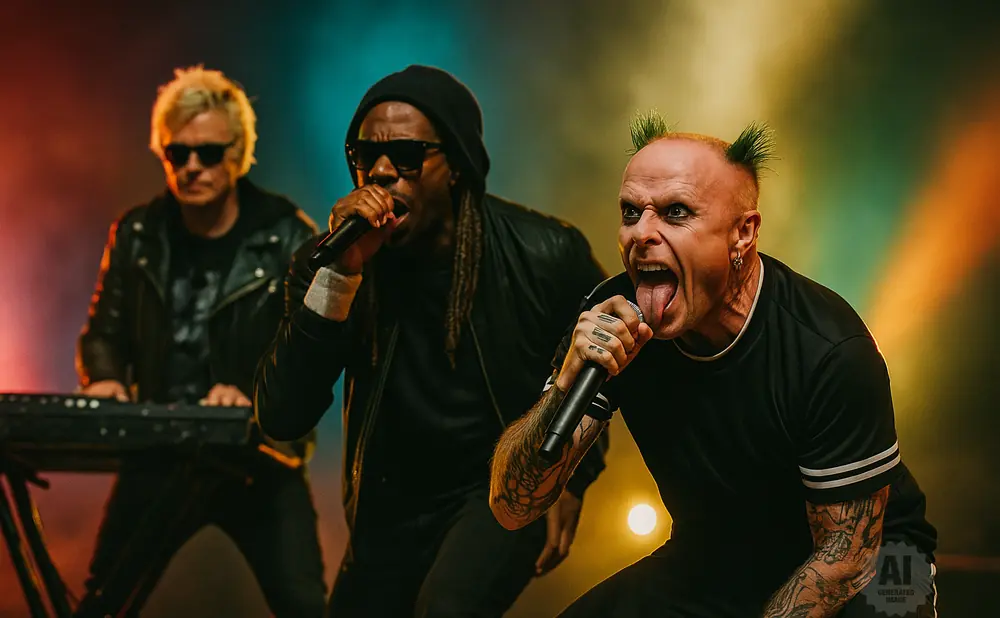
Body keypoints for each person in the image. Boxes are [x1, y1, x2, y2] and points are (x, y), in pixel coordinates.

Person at [489, 113, 938, 618]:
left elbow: (843, 559)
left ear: (742, 234)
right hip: (713, 559)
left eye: (676, 212)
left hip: (869, 562)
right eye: (631, 211)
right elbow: (513, 508)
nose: (642, 233)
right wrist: (565, 383)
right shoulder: (614, 313)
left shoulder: (828, 350)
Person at [254, 64, 608, 616]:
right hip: (389, 503)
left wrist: (570, 474)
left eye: (408, 155)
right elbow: (281, 415)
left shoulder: (545, 254)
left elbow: (601, 365)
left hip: (497, 485)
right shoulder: (330, 264)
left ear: (458, 166)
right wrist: (339, 278)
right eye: (364, 157)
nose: (382, 172)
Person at [75, 66, 326, 617]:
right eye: (177, 153)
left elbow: (311, 357)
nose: (192, 167)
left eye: (208, 153)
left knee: (305, 606)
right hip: (160, 452)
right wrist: (106, 377)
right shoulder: (137, 234)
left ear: (237, 153)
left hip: (255, 459)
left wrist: (253, 397)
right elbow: (103, 332)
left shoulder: (286, 234)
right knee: (101, 604)